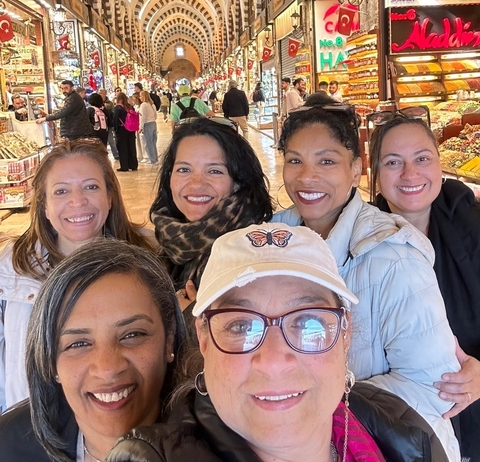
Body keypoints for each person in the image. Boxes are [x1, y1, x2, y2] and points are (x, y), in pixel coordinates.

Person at [105, 224, 449, 462]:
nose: (272, 361)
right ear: (204, 340)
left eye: (308, 321)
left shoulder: (406, 436)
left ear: (345, 334)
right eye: (241, 326)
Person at [272, 104, 461, 461]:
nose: (306, 176)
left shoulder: (394, 257)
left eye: (326, 161)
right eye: (295, 161)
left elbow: (433, 387)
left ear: (356, 169)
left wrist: (305, 401)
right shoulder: (274, 242)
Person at [0, 140, 155, 414]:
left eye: (91, 187)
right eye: (61, 191)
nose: (77, 201)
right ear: (45, 207)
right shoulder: (10, 269)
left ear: (110, 197)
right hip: (32, 431)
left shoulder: (150, 258)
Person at [0, 238, 186, 462]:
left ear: (169, 339)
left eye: (132, 335)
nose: (108, 369)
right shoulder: (8, 445)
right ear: (50, 361)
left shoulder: (219, 447)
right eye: (78, 344)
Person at [369, 111, 480, 461]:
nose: (410, 173)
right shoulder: (361, 244)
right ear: (375, 175)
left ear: (438, 165)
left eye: (422, 159)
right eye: (393, 162)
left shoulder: (473, 227)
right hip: (401, 429)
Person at [149, 117, 273, 293]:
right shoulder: (168, 240)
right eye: (184, 169)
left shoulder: (252, 255)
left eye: (215, 171)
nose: (197, 183)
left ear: (238, 182)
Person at [113, 91, 138, 172]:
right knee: (131, 147)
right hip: (131, 129)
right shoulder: (130, 107)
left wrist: (115, 130)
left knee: (122, 148)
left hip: (121, 129)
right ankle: (133, 165)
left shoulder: (118, 108)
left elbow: (115, 119)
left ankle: (124, 166)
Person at [99, 88, 119, 159]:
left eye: (101, 93)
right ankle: (103, 156)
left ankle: (116, 155)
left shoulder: (109, 103)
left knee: (111, 141)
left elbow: (113, 113)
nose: (100, 94)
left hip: (108, 124)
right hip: (100, 125)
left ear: (105, 94)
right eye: (99, 93)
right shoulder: (97, 103)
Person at [139, 90, 158, 164]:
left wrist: (141, 127)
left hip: (147, 124)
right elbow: (155, 115)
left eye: (140, 96)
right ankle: (155, 158)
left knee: (148, 143)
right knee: (153, 142)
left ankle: (152, 160)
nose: (140, 98)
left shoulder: (143, 105)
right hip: (153, 123)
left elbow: (142, 117)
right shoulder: (152, 104)